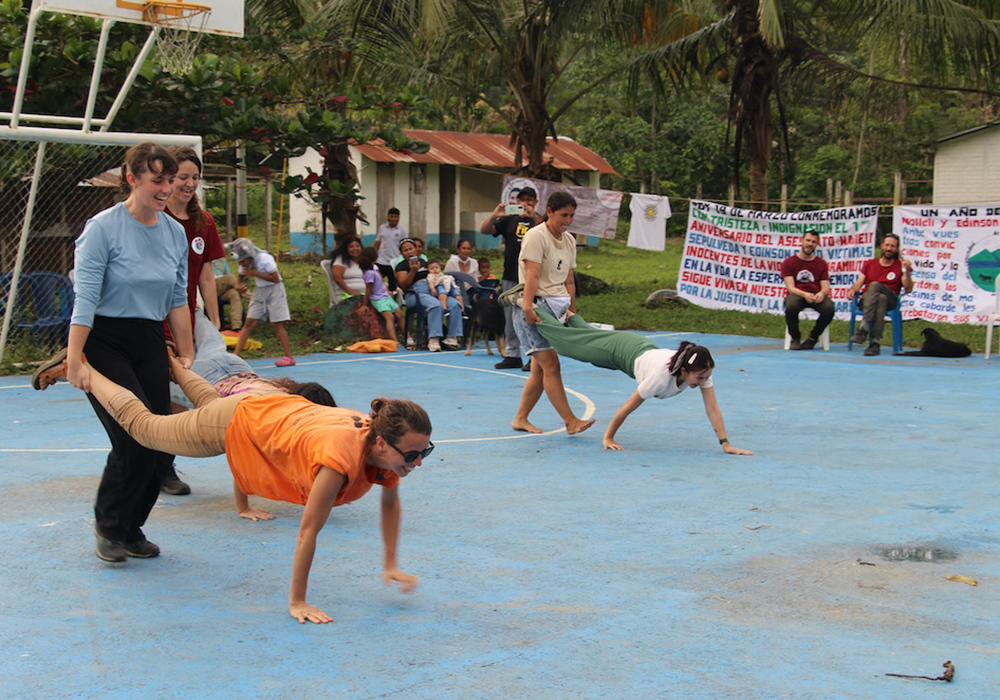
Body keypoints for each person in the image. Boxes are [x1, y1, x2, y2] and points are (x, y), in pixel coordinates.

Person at [36, 352, 431, 624]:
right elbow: (308, 530)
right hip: (242, 418)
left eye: (423, 453)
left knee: (207, 402)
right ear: (381, 442)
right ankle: (85, 372)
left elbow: (391, 505)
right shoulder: (339, 460)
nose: (416, 463)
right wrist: (297, 601)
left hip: (266, 404)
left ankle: (171, 362)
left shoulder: (383, 447)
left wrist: (391, 563)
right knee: (145, 429)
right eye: (412, 455)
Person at [63, 141, 194, 563]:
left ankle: (131, 528)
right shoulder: (102, 229)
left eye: (170, 180)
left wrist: (185, 355)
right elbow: (84, 300)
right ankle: (110, 527)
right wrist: (75, 359)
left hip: (149, 341)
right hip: (104, 340)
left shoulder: (174, 231)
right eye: (157, 180)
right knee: (132, 440)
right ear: (132, 179)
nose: (166, 188)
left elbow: (177, 297)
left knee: (159, 443)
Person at [529, 308, 752, 453]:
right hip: (622, 351)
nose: (703, 382)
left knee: (590, 342)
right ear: (684, 370)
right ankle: (530, 305)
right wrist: (608, 438)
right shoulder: (660, 378)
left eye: (706, 377)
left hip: (641, 349)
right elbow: (627, 407)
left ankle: (570, 316)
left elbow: (712, 407)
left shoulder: (702, 372)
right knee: (569, 346)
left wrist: (726, 444)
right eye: (699, 378)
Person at [159, 145, 227, 496]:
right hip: (154, 318)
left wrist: (212, 321)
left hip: (187, 317)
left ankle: (160, 462)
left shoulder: (203, 222)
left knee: (178, 389)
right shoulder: (154, 217)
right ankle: (160, 465)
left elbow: (206, 275)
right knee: (157, 390)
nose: (189, 184)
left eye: (195, 178)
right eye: (183, 177)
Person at [506, 191, 595, 436]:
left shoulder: (568, 240)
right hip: (535, 307)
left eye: (572, 215)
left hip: (557, 309)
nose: (567, 220)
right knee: (551, 365)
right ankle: (570, 420)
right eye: (563, 215)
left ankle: (520, 418)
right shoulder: (536, 236)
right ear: (550, 212)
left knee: (539, 369)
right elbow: (532, 275)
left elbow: (569, 280)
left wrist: (572, 311)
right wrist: (527, 308)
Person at [481, 186, 542, 370]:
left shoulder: (539, 221)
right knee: (510, 317)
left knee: (533, 315)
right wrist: (495, 215)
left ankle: (536, 356)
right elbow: (485, 230)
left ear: (536, 202)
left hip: (533, 276)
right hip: (511, 274)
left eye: (530, 200)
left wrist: (533, 217)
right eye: (522, 199)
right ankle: (513, 354)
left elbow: (547, 233)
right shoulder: (508, 219)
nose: (526, 203)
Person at [844, 232, 913, 356]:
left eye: (892, 246)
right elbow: (858, 284)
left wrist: (906, 271)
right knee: (881, 298)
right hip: (869, 299)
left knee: (875, 285)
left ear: (896, 249)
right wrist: (852, 290)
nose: (889, 248)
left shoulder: (900, 265)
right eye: (887, 245)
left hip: (891, 299)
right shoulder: (870, 264)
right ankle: (875, 343)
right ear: (881, 246)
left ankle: (863, 328)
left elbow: (908, 289)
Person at [230, 237, 296, 367]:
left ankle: (289, 357)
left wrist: (255, 273)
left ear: (250, 256)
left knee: (276, 323)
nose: (242, 264)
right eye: (239, 262)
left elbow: (275, 278)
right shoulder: (244, 264)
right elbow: (240, 278)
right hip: (260, 290)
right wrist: (238, 285)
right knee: (249, 321)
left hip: (275, 290)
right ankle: (236, 355)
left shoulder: (264, 259)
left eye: (243, 260)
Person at [394, 239, 463, 352]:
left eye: (411, 249)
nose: (409, 252)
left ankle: (452, 338)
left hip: (433, 290)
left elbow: (435, 274)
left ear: (416, 249)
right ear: (402, 253)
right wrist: (413, 271)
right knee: (435, 305)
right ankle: (434, 338)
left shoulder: (423, 262)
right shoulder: (401, 266)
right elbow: (404, 285)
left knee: (454, 304)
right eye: (405, 250)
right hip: (414, 294)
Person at [781, 229, 835, 351]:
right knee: (791, 306)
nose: (810, 244)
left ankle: (812, 338)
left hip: (816, 294)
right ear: (802, 241)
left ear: (817, 244)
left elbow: (826, 287)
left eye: (813, 242)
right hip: (798, 293)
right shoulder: (789, 262)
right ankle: (795, 338)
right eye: (808, 240)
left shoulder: (821, 263)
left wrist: (821, 293)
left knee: (829, 308)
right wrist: (805, 294)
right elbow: (790, 288)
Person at [359, 246, 404, 341]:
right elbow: (368, 290)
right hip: (378, 299)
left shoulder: (374, 269)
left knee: (399, 314)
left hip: (385, 296)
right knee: (389, 317)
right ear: (375, 258)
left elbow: (380, 283)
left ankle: (407, 337)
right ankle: (394, 340)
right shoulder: (369, 273)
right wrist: (364, 304)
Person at [374, 207, 408, 291]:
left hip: (394, 262)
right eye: (391, 216)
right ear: (388, 217)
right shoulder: (382, 227)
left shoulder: (402, 230)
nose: (393, 219)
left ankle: (393, 302)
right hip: (381, 260)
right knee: (377, 283)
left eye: (395, 217)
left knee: (393, 286)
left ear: (399, 218)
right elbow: (377, 242)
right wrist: (373, 256)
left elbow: (405, 245)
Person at [329, 234, 366, 300]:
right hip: (346, 294)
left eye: (357, 246)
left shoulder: (365, 260)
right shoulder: (341, 259)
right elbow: (336, 277)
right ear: (346, 249)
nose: (355, 249)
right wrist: (350, 291)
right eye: (351, 247)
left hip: (366, 294)